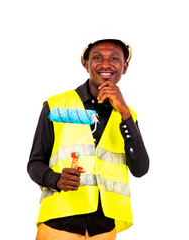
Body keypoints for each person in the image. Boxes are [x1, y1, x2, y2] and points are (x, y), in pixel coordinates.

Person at [28, 39, 150, 240]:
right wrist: (56, 179)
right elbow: (35, 164)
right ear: (86, 64)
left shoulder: (128, 116)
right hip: (59, 226)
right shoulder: (57, 106)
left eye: (114, 58)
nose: (105, 64)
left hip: (104, 230)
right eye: (97, 58)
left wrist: (125, 113)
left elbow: (140, 169)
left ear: (124, 67)